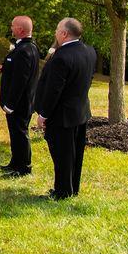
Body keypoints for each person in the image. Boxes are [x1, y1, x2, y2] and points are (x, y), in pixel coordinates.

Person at [35, 17, 96, 199]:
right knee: (75, 153)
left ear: (64, 34)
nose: (55, 33)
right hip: (80, 111)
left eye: (57, 29)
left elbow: (54, 90)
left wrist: (43, 114)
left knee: (62, 154)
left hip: (61, 115)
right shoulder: (89, 51)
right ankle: (72, 187)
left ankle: (62, 191)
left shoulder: (61, 57)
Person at [0, 16, 40, 176]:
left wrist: (10, 104)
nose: (11, 28)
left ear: (21, 29)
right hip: (19, 101)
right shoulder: (23, 47)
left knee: (20, 133)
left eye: (13, 25)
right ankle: (15, 162)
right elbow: (16, 69)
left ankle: (24, 168)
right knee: (15, 133)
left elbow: (20, 80)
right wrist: (5, 68)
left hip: (19, 103)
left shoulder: (25, 50)